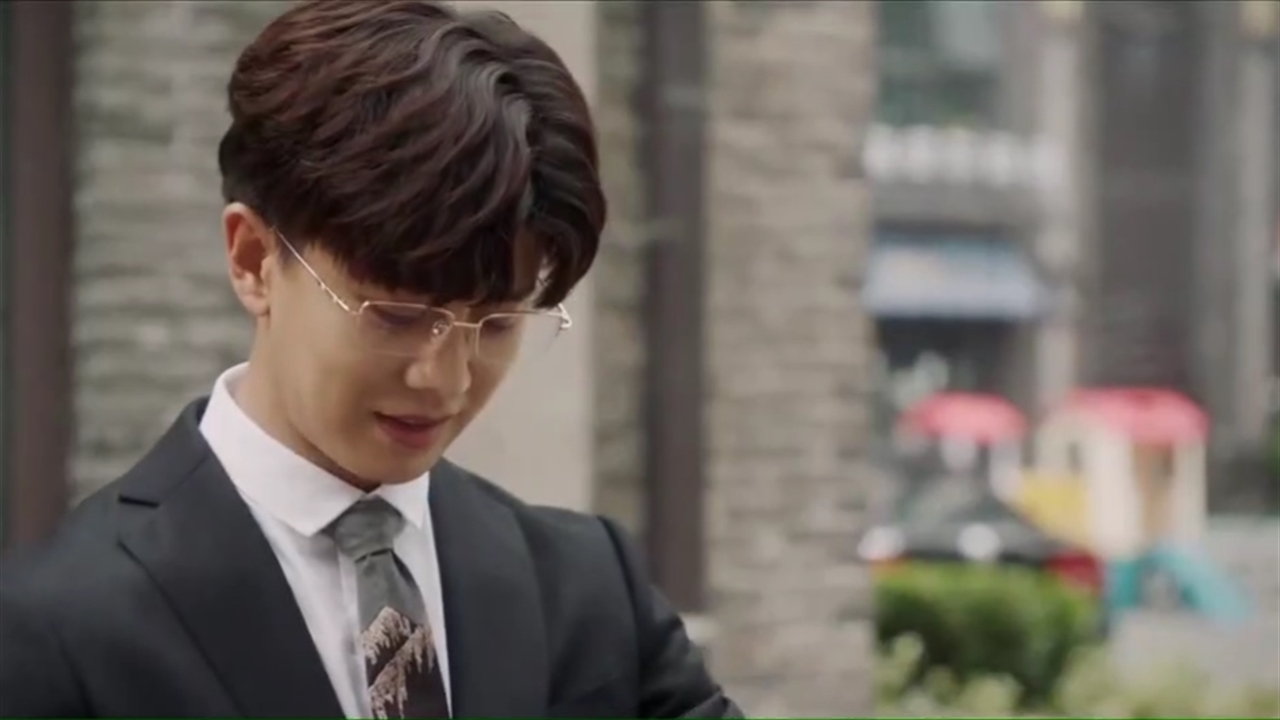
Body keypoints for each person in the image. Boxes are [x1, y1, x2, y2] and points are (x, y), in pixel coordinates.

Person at [0, 2, 740, 717]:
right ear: (254, 260)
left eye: (496, 323)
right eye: (397, 316)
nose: (444, 380)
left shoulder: (587, 591)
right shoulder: (59, 624)